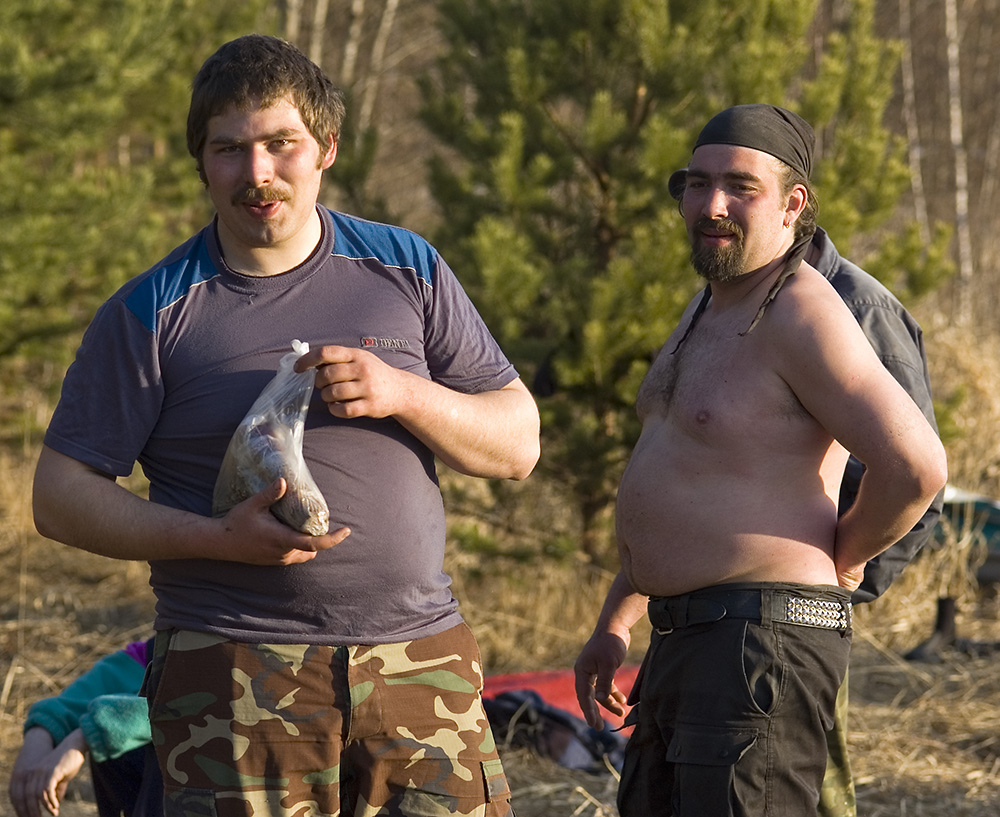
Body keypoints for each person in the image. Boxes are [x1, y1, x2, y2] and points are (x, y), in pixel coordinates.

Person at [32, 34, 539, 817]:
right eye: (228, 149)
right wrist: (215, 538)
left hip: (419, 664)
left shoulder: (406, 268)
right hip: (231, 675)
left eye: (280, 143)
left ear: (326, 147)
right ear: (201, 163)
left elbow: (518, 443)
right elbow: (58, 496)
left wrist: (404, 392)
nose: (257, 173)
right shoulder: (152, 311)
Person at [573, 104, 947, 816]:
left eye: (741, 187)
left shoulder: (802, 310)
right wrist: (615, 622)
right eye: (697, 183)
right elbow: (688, 478)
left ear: (792, 204)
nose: (712, 205)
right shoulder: (709, 309)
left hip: (756, 649)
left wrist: (845, 557)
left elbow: (917, 466)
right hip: (686, 638)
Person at [9, 639, 161, 817]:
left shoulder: (189, 642)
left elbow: (180, 706)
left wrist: (84, 737)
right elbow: (106, 681)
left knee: (155, 745)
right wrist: (41, 732)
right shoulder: (161, 646)